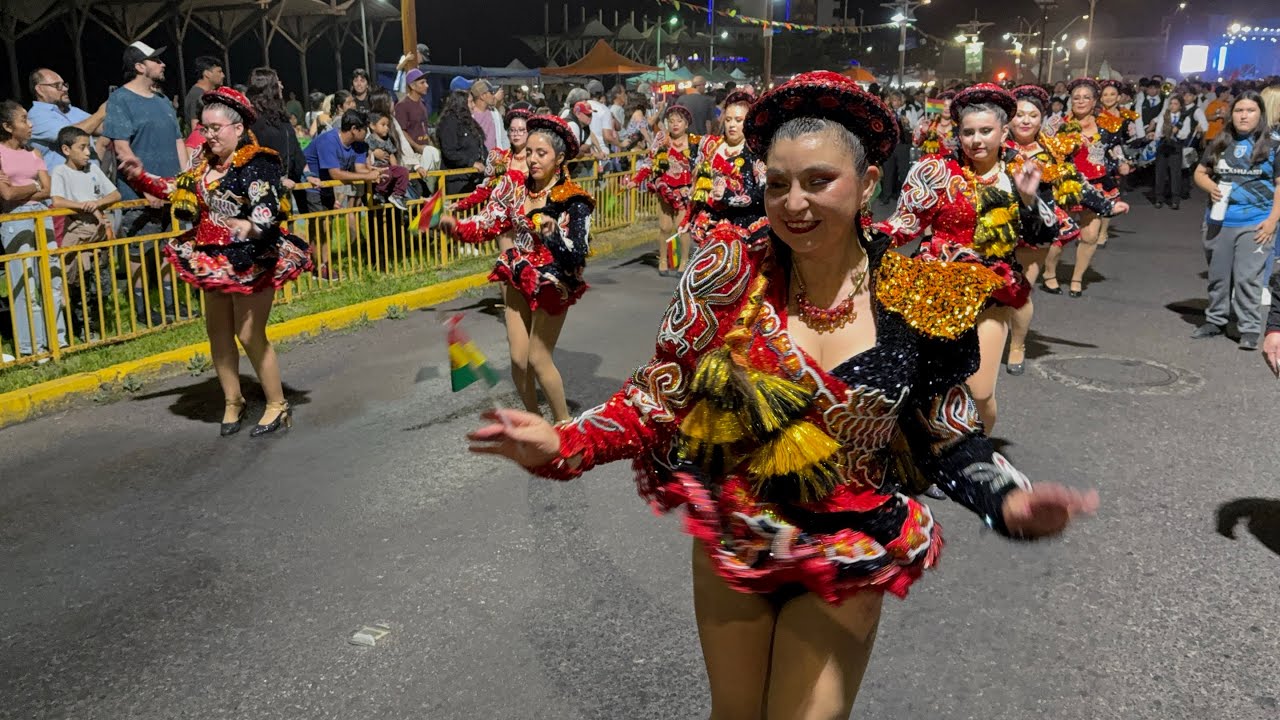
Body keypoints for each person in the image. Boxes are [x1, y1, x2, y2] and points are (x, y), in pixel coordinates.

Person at [466, 71, 1097, 719]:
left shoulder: (918, 292)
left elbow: (948, 433)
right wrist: (564, 442)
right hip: (740, 531)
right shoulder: (728, 273)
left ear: (867, 184)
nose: (795, 202)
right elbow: (665, 395)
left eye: (819, 180)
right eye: (777, 184)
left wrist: (1008, 501)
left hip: (851, 544)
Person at [118, 87, 312, 436]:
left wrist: (249, 226)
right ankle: (233, 400)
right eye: (204, 128)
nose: (207, 135)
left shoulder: (258, 162)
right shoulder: (202, 164)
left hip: (252, 257)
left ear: (237, 129)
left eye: (215, 128)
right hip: (211, 257)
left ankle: (277, 404)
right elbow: (176, 188)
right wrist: (139, 175)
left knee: (249, 333)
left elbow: (267, 211)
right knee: (218, 333)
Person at [878, 83, 1058, 431]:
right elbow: (905, 223)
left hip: (991, 291)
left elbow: (1046, 234)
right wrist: (862, 238)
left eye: (986, 131)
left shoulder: (1021, 172)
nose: (976, 140)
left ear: (1004, 131)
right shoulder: (937, 171)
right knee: (924, 385)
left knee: (979, 390)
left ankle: (978, 460)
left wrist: (1027, 198)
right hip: (937, 290)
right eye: (968, 132)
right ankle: (929, 452)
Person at [438, 114, 592, 424]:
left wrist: (553, 237)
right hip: (518, 273)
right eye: (530, 152)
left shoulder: (575, 201)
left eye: (542, 153)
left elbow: (578, 255)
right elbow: (489, 222)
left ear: (560, 158)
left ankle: (564, 426)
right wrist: (456, 228)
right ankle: (534, 422)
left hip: (553, 281)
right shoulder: (514, 186)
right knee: (518, 360)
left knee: (538, 357)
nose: (532, 160)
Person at [1005, 85, 1127, 375]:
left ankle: (1017, 345)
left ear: (1042, 119)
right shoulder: (995, 146)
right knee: (992, 293)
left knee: (1020, 292)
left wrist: (1106, 206)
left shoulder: (1052, 149)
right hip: (993, 230)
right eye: (1019, 114)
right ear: (1008, 118)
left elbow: (1076, 182)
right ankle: (986, 341)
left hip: (1034, 231)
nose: (1025, 120)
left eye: (1032, 115)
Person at [103, 41, 189, 327]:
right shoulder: (120, 100)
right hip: (139, 195)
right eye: (156, 60)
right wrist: (146, 188)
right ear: (140, 66)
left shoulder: (163, 101)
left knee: (169, 247)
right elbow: (122, 151)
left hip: (171, 191)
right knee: (138, 252)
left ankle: (171, 303)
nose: (162, 64)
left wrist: (185, 180)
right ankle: (142, 309)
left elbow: (179, 142)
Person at [1191, 91, 1279, 351]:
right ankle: (1216, 320)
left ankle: (1249, 328)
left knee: (1246, 278)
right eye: (1239, 110)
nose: (1244, 115)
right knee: (1218, 276)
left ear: (1260, 114)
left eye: (1250, 110)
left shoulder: (1273, 144)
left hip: (1255, 221)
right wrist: (1210, 186)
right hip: (1219, 220)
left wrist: (1273, 220)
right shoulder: (1221, 140)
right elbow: (1200, 172)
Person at [1041, 78, 1131, 298]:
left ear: (1094, 101)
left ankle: (1077, 278)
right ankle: (1049, 274)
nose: (1081, 101)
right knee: (1060, 236)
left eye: (1086, 98)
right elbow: (1044, 150)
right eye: (1076, 98)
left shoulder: (1108, 123)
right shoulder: (1057, 124)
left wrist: (1121, 161)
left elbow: (1115, 146)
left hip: (1098, 183)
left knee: (1090, 235)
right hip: (1067, 184)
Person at [0, 100, 66, 357]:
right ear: (7, 126)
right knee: (23, 282)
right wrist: (35, 185)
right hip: (15, 219)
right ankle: (31, 347)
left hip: (41, 216)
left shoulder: (34, 153)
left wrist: (26, 189)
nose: (30, 125)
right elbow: (6, 195)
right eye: (24, 119)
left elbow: (48, 189)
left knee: (51, 277)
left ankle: (57, 340)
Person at [49, 125, 121, 338]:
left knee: (100, 283)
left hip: (98, 231)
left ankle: (102, 326)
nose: (88, 152)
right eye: (82, 148)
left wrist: (97, 203)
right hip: (77, 231)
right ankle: (82, 328)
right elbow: (57, 200)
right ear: (66, 149)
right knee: (78, 282)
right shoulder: (60, 172)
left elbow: (115, 194)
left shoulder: (93, 169)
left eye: (88, 147)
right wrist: (84, 206)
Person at [680, 90, 764, 251]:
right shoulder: (709, 146)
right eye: (728, 119)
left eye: (739, 120)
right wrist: (687, 219)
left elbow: (763, 191)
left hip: (742, 223)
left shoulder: (755, 152)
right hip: (711, 223)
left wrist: (730, 197)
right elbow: (699, 189)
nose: (732, 125)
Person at [627, 105, 702, 277]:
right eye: (671, 121)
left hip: (685, 192)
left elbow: (703, 164)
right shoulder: (661, 138)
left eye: (679, 121)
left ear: (686, 124)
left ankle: (684, 261)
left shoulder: (695, 142)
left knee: (681, 228)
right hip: (665, 189)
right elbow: (649, 162)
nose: (675, 124)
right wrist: (636, 180)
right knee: (664, 227)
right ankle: (662, 259)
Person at [451, 108, 531, 213]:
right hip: (501, 218)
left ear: (530, 133)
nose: (516, 134)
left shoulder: (536, 159)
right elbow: (486, 190)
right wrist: (461, 204)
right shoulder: (500, 158)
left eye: (521, 130)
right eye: (512, 130)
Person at [27, 68, 107, 173]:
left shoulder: (73, 111)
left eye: (64, 84)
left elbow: (102, 127)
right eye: (57, 86)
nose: (65, 89)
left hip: (92, 180)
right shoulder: (36, 115)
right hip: (64, 184)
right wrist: (102, 113)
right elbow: (71, 136)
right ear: (40, 89)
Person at [1093, 80, 1141, 248]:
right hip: (1094, 159)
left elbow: (1132, 143)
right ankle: (1091, 229)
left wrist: (1126, 161)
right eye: (1105, 94)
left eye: (1112, 94)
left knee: (1109, 197)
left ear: (1119, 97)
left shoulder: (1126, 118)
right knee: (1092, 196)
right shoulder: (1094, 115)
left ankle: (1103, 232)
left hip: (1114, 162)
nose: (1108, 97)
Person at [394, 68, 442, 184]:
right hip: (412, 156)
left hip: (425, 151)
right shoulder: (402, 106)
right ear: (412, 86)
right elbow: (402, 131)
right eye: (422, 83)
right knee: (420, 186)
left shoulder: (422, 104)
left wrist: (429, 144)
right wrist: (416, 146)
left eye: (426, 82)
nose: (427, 85)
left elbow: (423, 128)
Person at [437, 90, 486, 196]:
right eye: (470, 102)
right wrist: (471, 163)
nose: (473, 105)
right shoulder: (449, 123)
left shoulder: (468, 122)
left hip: (473, 179)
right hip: (457, 181)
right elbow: (449, 152)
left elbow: (480, 145)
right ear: (461, 103)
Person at [1150, 94, 1194, 209]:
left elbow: (1185, 134)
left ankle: (1175, 200)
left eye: (1175, 104)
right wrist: (1164, 133)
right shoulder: (1164, 116)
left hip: (1176, 146)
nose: (1172, 106)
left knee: (1175, 174)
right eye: (1171, 103)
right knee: (1160, 173)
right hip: (1163, 145)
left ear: (1180, 106)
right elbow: (1158, 132)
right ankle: (1159, 198)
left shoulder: (1184, 118)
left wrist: (1176, 132)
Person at [366, 111, 410, 210]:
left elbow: (391, 155)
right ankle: (379, 192)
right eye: (383, 125)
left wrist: (396, 168)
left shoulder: (387, 140)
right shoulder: (370, 140)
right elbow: (367, 154)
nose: (387, 127)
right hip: (377, 168)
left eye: (387, 125)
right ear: (372, 126)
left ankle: (398, 194)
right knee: (387, 172)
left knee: (403, 171)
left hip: (387, 167)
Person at [183, 56, 224, 130]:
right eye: (219, 72)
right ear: (207, 74)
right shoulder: (198, 95)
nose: (223, 75)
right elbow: (196, 127)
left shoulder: (202, 93)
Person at [912, 89, 956, 156]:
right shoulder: (930, 125)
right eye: (944, 106)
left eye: (950, 106)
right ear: (938, 107)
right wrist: (922, 131)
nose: (947, 108)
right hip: (933, 164)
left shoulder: (958, 126)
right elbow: (915, 144)